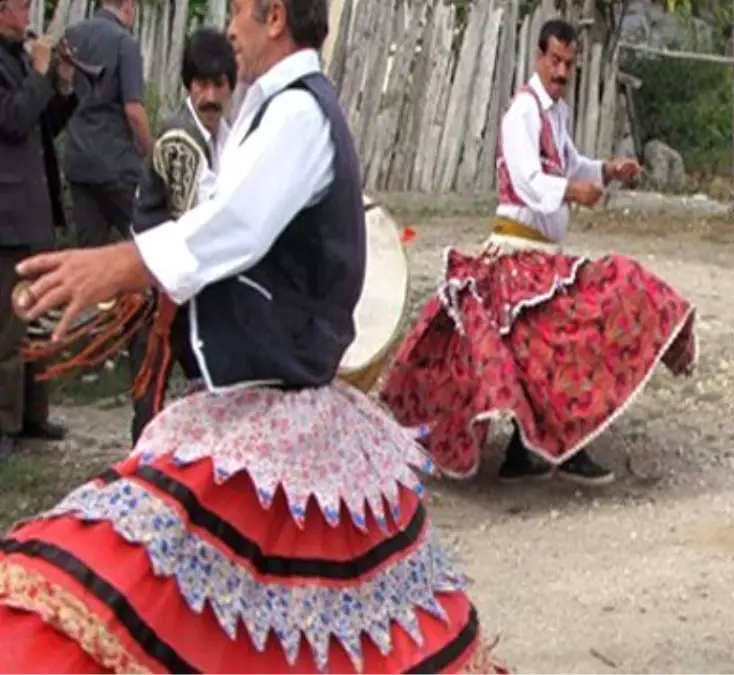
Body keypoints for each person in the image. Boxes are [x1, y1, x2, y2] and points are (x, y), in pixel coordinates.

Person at [0, 0, 503, 671]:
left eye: (236, 10)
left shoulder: (297, 115)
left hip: (278, 410)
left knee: (146, 575)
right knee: (248, 618)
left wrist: (116, 266)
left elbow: (233, 227)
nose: (226, 27)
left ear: (272, 16)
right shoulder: (266, 113)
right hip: (259, 402)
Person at [381, 18, 698, 487]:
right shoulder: (522, 113)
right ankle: (561, 446)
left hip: (541, 256)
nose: (562, 71)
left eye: (569, 64)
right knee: (563, 339)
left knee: (543, 351)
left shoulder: (555, 114)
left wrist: (607, 171)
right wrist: (573, 191)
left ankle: (525, 449)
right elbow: (529, 179)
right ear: (539, 56)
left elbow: (571, 162)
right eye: (555, 61)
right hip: (515, 254)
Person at [126, 26, 233, 445]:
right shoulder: (179, 138)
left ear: (229, 86)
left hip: (186, 284)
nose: (209, 95)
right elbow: (195, 225)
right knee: (151, 400)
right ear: (189, 85)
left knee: (203, 386)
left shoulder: (223, 136)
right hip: (159, 288)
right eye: (201, 84)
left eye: (218, 84)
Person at [0, 0, 76, 458]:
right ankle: (4, 423)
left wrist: (61, 84)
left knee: (39, 318)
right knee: (9, 324)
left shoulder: (19, 56)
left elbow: (44, 125)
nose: (28, 11)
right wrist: (39, 72)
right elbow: (12, 119)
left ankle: (34, 413)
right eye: (21, 4)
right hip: (5, 215)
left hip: (33, 208)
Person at [63, 0, 150, 249]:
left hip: (79, 161)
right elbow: (133, 110)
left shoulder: (72, 36)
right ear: (128, 5)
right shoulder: (124, 43)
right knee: (146, 243)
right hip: (117, 165)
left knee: (89, 254)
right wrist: (151, 152)